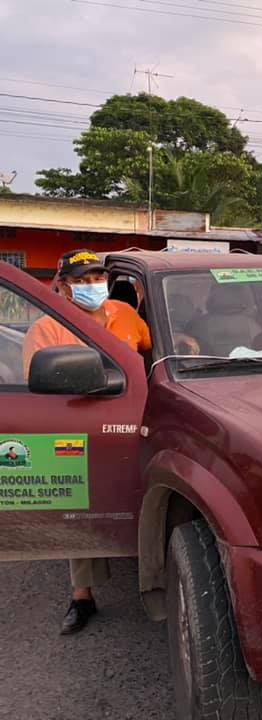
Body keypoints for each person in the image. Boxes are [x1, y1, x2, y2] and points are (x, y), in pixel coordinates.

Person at [22, 249, 152, 634]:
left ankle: (155, 575)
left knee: (139, 496)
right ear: (62, 287)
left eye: (96, 278)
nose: (91, 285)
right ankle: (82, 596)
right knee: (83, 506)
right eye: (80, 280)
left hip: (133, 420)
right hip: (80, 427)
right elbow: (37, 383)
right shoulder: (48, 328)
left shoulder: (124, 314)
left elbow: (151, 350)